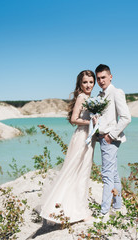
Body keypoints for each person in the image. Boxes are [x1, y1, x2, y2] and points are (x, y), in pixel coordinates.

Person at [39, 70, 97, 223]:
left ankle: (74, 207)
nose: (88, 85)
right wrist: (91, 122)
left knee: (81, 172)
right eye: (85, 82)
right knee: (77, 171)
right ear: (80, 83)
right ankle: (80, 212)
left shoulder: (90, 98)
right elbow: (73, 119)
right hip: (82, 137)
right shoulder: (82, 97)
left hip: (88, 137)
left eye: (91, 82)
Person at [95, 64, 131, 218]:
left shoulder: (116, 92)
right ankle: (117, 206)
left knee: (107, 175)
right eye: (98, 78)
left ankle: (104, 212)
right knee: (114, 174)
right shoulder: (100, 95)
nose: (101, 81)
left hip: (110, 139)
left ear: (110, 76)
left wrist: (111, 135)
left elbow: (126, 118)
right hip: (102, 138)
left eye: (103, 77)